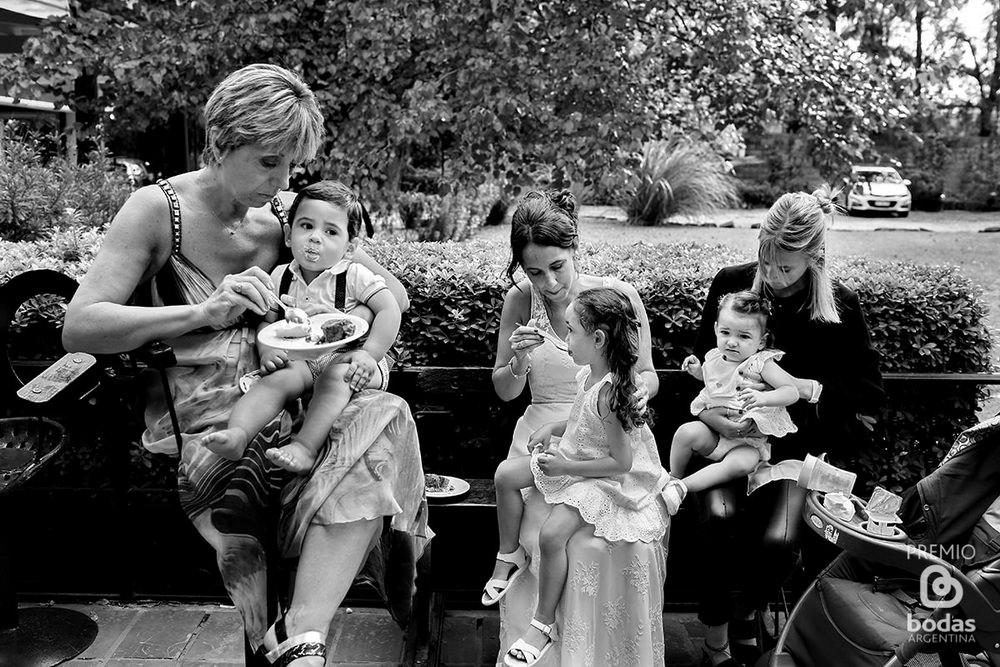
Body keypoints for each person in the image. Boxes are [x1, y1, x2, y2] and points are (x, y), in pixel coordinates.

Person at [62, 64, 427, 667]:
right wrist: (204, 311)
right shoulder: (157, 209)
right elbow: (82, 325)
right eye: (268, 162)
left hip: (293, 398)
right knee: (368, 438)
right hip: (203, 413)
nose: (282, 179)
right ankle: (283, 637)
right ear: (221, 142)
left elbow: (390, 297)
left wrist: (345, 249)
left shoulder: (285, 216)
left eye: (292, 165)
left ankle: (301, 636)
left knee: (386, 413)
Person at [691, 186, 884, 667]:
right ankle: (715, 647)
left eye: (786, 267)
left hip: (792, 456)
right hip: (724, 442)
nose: (772, 277)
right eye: (767, 261)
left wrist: (807, 389)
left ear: (814, 257)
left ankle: (744, 614)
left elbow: (867, 393)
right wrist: (717, 422)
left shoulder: (838, 306)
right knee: (716, 522)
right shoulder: (731, 286)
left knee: (780, 543)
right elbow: (699, 369)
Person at [491, 189, 666, 666]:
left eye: (557, 266)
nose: (548, 282)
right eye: (533, 271)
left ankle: (601, 652)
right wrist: (520, 360)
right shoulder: (519, 302)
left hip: (605, 432)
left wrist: (634, 396)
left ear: (575, 251)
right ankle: (539, 642)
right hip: (544, 430)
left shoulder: (617, 298)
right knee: (541, 533)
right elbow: (505, 390)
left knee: (593, 540)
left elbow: (646, 374)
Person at [197, 180, 401, 474]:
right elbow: (269, 323)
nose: (315, 238)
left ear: (350, 247)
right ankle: (238, 434)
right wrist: (268, 351)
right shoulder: (281, 276)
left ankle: (305, 447)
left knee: (335, 378)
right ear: (289, 236)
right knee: (275, 381)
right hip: (306, 362)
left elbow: (390, 309)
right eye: (306, 226)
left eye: (330, 232)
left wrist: (370, 353)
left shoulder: (354, 275)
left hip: (354, 360)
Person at [663, 290, 801, 514]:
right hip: (715, 434)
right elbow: (713, 380)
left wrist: (765, 397)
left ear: (761, 341)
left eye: (744, 337)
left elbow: (791, 391)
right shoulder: (715, 357)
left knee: (742, 464)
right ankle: (672, 476)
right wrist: (697, 371)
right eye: (726, 332)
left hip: (747, 442)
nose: (732, 342)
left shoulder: (760, 363)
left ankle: (682, 488)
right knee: (686, 432)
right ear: (716, 329)